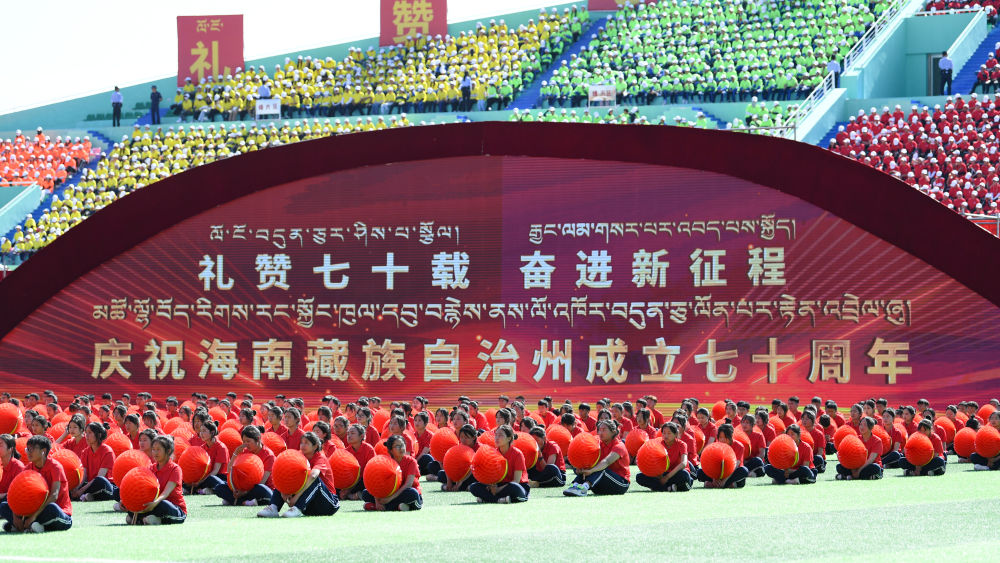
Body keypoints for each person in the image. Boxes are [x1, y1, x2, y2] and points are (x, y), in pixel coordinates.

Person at [257, 432, 340, 518]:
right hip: (309, 507)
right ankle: (273, 507)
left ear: (315, 446)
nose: (303, 445)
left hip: (328, 505)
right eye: (301, 442)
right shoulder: (299, 455)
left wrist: (296, 497)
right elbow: (285, 471)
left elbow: (313, 475)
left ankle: (297, 509)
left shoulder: (320, 457)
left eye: (306, 443)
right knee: (285, 472)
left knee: (315, 480)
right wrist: (283, 491)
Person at [0, 435, 72, 532]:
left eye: (32, 449)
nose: (28, 452)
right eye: (27, 449)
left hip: (57, 510)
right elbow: (16, 493)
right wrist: (15, 516)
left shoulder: (55, 467)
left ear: (43, 451)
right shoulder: (28, 468)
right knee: (4, 506)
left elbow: (54, 496)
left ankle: (27, 525)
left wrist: (33, 516)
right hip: (32, 511)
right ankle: (31, 525)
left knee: (52, 508)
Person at [124, 435, 186, 525]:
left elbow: (166, 493)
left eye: (158, 449)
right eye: (153, 449)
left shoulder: (175, 469)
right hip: (153, 504)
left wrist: (155, 503)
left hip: (172, 507)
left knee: (163, 504)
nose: (155, 452)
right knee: (130, 514)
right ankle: (149, 519)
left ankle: (154, 519)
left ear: (168, 451)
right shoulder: (150, 468)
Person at [564, 420, 631, 496]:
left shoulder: (619, 446)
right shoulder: (597, 444)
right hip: (601, 485)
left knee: (601, 469)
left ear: (613, 432)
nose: (600, 433)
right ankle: (574, 485)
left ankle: (584, 488)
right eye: (599, 430)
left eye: (604, 430)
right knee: (590, 468)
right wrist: (582, 469)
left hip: (621, 484)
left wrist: (591, 470)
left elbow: (606, 462)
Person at [214, 426, 274, 506]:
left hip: (260, 487)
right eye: (244, 441)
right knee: (219, 488)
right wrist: (235, 454)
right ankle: (245, 501)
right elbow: (230, 471)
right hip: (243, 487)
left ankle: (235, 501)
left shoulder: (269, 455)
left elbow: (262, 481)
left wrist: (244, 492)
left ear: (258, 439)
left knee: (262, 490)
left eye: (248, 441)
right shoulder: (245, 452)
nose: (246, 444)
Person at [469, 425, 528, 504]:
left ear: (509, 438)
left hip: (515, 485)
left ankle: (488, 499)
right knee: (474, 487)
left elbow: (516, 481)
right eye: (496, 435)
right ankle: (499, 500)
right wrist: (491, 486)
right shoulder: (493, 453)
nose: (497, 438)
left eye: (500, 435)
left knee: (514, 487)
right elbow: (491, 476)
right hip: (498, 485)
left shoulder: (517, 454)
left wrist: (497, 490)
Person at [363, 435, 422, 511]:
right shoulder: (386, 462)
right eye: (397, 446)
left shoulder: (411, 461)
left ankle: (381, 507)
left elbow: (408, 484)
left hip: (405, 492)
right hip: (390, 493)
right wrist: (377, 501)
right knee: (366, 493)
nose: (401, 448)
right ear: (390, 450)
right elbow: (377, 483)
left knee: (412, 493)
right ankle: (397, 507)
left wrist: (389, 499)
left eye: (402, 445)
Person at [634, 422, 692, 492]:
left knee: (684, 475)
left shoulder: (682, 444)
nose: (666, 436)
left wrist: (667, 477)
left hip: (676, 473)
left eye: (669, 433)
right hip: (662, 474)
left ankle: (660, 487)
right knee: (640, 477)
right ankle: (668, 488)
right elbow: (653, 462)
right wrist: (659, 475)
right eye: (664, 433)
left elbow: (683, 463)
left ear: (676, 434)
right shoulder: (658, 444)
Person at [696, 424, 749, 488]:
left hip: (732, 473)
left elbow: (736, 465)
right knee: (700, 472)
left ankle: (720, 484)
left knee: (744, 470)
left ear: (731, 436)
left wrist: (724, 481)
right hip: (717, 473)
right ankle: (727, 485)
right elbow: (711, 464)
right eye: (720, 437)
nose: (722, 440)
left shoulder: (739, 446)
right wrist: (714, 478)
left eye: (725, 437)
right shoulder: (716, 446)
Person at [74, 422, 116, 501]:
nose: (86, 436)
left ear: (99, 435)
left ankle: (87, 495)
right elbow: (84, 475)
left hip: (104, 484)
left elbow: (100, 476)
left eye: (90, 433)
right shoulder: (85, 452)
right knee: (73, 482)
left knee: (100, 480)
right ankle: (89, 495)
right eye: (86, 432)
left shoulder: (107, 451)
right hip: (90, 484)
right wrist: (76, 488)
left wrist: (81, 490)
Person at [189, 421, 228, 495]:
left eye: (204, 431)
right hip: (206, 476)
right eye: (200, 431)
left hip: (219, 477)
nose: (201, 434)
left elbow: (215, 471)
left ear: (212, 432)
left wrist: (200, 482)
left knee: (211, 479)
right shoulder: (202, 448)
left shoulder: (221, 447)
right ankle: (206, 489)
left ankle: (208, 489)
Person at [437, 424, 479, 492]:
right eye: (461, 437)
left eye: (466, 437)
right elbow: (449, 463)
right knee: (441, 474)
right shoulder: (459, 447)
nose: (463, 440)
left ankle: (461, 487)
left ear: (473, 438)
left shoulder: (479, 448)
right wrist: (449, 481)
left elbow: (473, 468)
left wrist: (460, 481)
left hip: (473, 474)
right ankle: (457, 486)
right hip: (460, 475)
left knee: (474, 479)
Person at [340, 424, 375, 500]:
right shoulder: (346, 451)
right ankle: (353, 495)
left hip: (364, 479)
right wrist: (345, 488)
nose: (349, 436)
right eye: (348, 433)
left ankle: (355, 495)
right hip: (351, 482)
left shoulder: (369, 449)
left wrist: (349, 489)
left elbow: (370, 471)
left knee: (367, 481)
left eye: (352, 433)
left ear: (361, 436)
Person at [0, 434, 26, 502]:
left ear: (10, 449)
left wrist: (2, 495)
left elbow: (19, 491)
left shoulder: (18, 467)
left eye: (0, 445)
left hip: (10, 501)